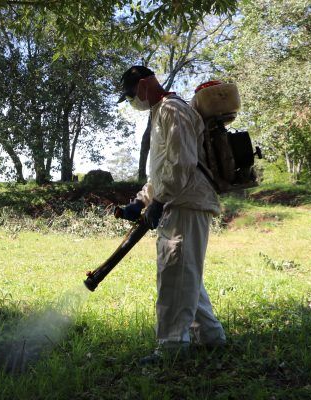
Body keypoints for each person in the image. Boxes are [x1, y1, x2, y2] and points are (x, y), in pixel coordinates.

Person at [117, 66, 226, 364]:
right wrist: (141, 202)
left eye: (130, 95)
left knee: (175, 275)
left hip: (186, 203)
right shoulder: (160, 112)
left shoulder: (172, 110)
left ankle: (172, 349)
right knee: (184, 272)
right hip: (178, 202)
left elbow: (182, 164)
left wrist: (159, 200)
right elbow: (162, 171)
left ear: (142, 86)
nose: (131, 101)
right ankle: (211, 337)